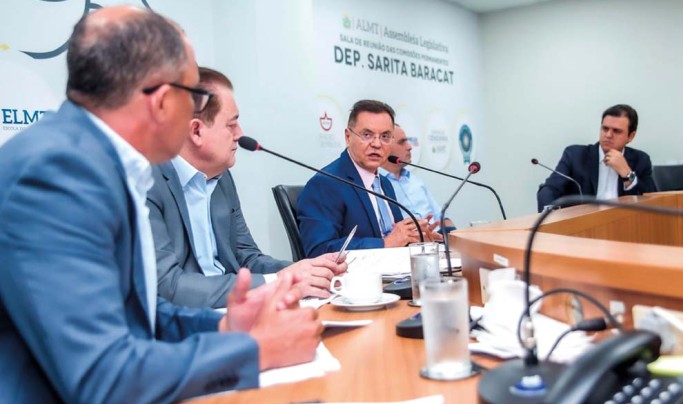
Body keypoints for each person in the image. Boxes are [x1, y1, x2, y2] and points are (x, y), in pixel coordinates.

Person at [0, 7, 321, 404]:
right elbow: (102, 378)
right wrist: (257, 350)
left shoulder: (98, 160)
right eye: (194, 96)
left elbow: (139, 314)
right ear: (163, 99)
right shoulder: (57, 174)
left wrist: (226, 328)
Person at [147, 67, 346, 308]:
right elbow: (168, 286)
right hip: (187, 318)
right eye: (231, 125)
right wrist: (279, 282)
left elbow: (247, 258)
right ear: (196, 131)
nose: (240, 135)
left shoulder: (222, 178)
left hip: (235, 307)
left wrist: (305, 271)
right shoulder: (147, 180)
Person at [297, 99, 433, 258]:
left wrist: (416, 240)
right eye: (367, 135)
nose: (377, 144)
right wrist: (385, 243)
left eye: (385, 136)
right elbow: (319, 250)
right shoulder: (325, 183)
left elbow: (395, 242)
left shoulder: (384, 183)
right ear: (348, 137)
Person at [537, 104, 657, 211]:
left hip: (624, 224)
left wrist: (627, 174)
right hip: (585, 224)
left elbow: (653, 202)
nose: (608, 135)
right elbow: (549, 189)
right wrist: (550, 217)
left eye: (616, 131)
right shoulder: (575, 156)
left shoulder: (641, 160)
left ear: (631, 136)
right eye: (605, 128)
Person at [379, 124, 454, 240]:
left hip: (439, 241)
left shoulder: (415, 180)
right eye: (402, 142)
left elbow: (442, 216)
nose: (409, 147)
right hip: (411, 245)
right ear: (386, 147)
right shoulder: (377, 185)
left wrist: (454, 236)